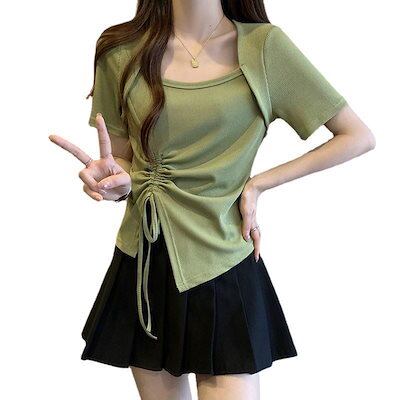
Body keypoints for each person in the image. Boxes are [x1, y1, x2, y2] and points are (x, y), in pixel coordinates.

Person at [48, 1, 376, 399]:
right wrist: (113, 182)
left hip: (223, 258)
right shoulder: (120, 51)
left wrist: (258, 184)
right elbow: (121, 162)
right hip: (145, 261)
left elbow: (356, 136)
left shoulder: (264, 47)